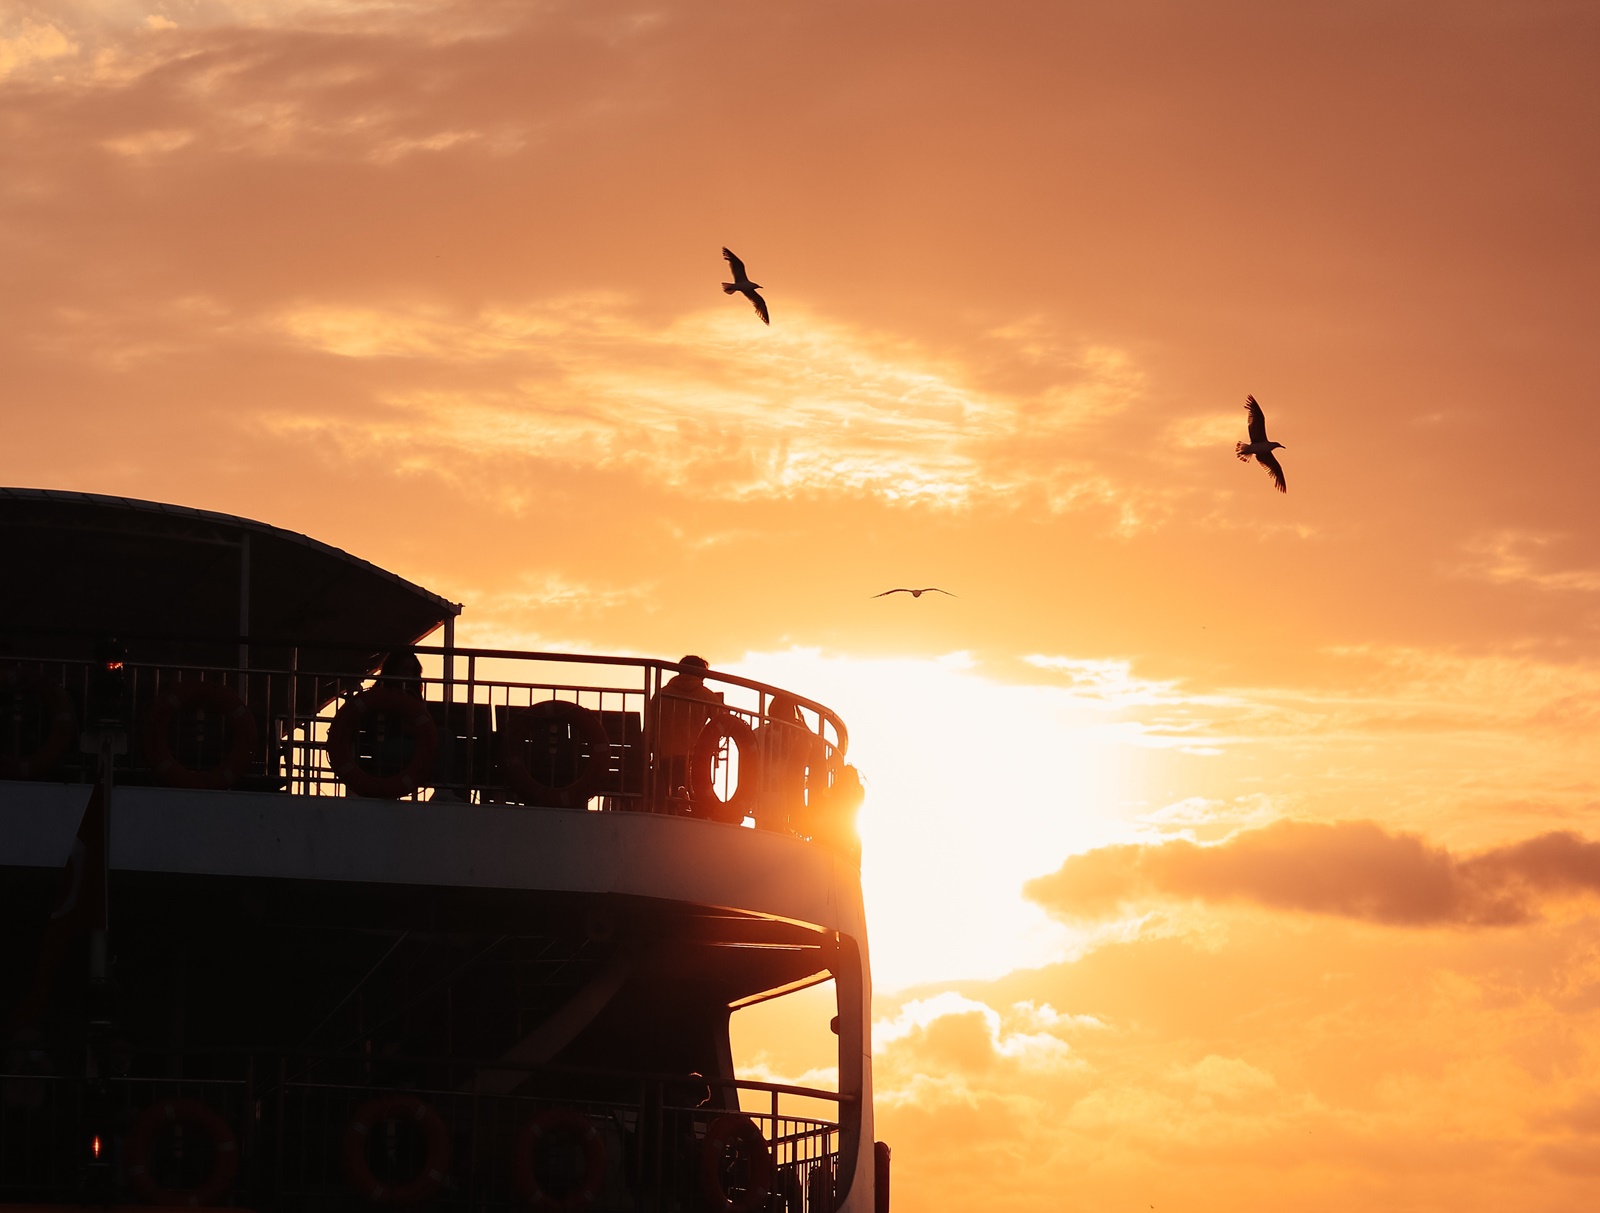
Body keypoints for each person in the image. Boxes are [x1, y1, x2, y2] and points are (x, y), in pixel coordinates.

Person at [650, 656, 723, 811]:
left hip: (665, 757)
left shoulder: (661, 694)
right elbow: (724, 722)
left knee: (669, 798)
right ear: (702, 674)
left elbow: (649, 729)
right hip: (695, 758)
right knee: (698, 800)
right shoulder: (707, 696)